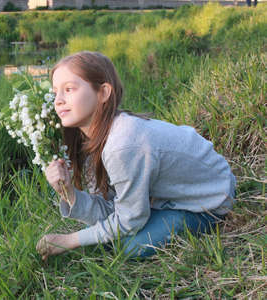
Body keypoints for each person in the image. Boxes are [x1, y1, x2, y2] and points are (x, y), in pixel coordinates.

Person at [36, 51, 236, 260]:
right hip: (170, 194)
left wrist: (70, 240)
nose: (58, 100)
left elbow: (128, 220)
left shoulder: (122, 144)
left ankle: (199, 220)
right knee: (111, 237)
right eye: (55, 92)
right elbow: (108, 209)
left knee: (129, 247)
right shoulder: (93, 138)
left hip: (208, 198)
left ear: (103, 93)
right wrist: (68, 192)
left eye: (69, 89)